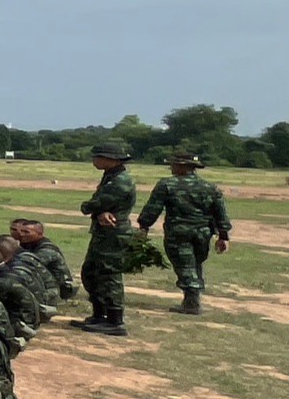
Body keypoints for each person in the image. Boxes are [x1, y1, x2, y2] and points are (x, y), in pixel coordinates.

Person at [139, 151, 232, 314]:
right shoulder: (210, 187)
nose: (171, 168)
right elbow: (220, 213)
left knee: (185, 265)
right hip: (203, 233)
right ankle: (193, 298)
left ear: (181, 166)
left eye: (173, 164)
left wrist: (144, 226)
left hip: (178, 232)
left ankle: (192, 302)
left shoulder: (167, 185)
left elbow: (153, 209)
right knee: (195, 264)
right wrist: (223, 236)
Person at [78, 141, 137, 335]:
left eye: (97, 157)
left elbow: (94, 204)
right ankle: (99, 314)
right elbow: (102, 205)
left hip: (113, 233)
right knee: (91, 272)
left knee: (108, 274)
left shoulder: (120, 181)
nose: (94, 160)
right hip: (104, 232)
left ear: (110, 159)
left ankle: (115, 320)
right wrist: (100, 212)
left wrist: (91, 208)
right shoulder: (111, 176)